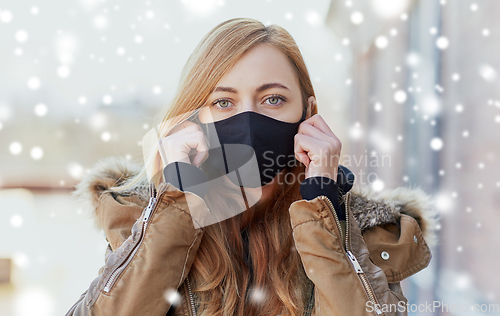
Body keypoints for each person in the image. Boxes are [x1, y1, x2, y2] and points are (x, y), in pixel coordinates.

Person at [66, 18, 438, 316]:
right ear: (192, 119)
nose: (247, 120)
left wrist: (325, 211)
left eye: (273, 99)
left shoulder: (362, 229)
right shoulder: (141, 216)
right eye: (224, 103)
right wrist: (178, 204)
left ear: (308, 114)